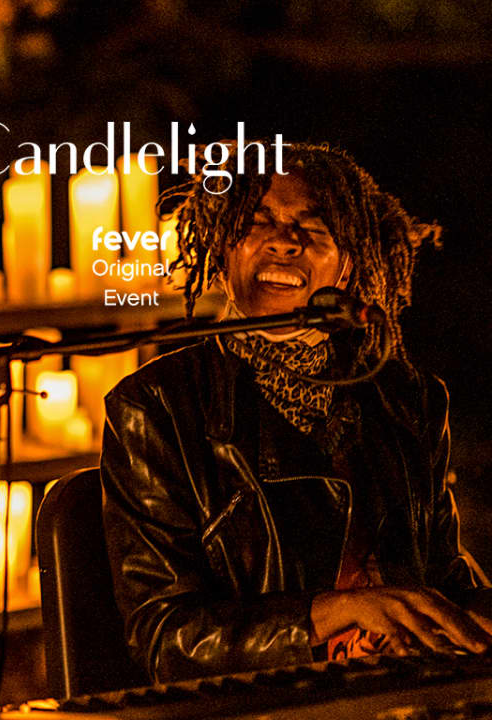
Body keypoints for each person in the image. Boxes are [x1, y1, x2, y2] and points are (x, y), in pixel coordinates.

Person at [100, 140, 492, 685]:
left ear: (349, 263)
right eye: (258, 221)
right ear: (221, 249)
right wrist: (336, 612)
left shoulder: (408, 398)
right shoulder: (157, 404)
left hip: (401, 688)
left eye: (314, 226)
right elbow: (166, 638)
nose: (285, 241)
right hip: (266, 702)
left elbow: (444, 579)